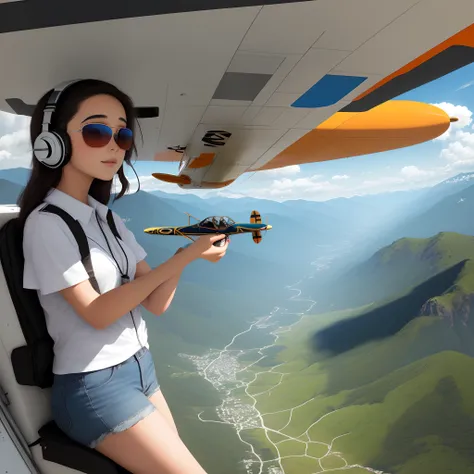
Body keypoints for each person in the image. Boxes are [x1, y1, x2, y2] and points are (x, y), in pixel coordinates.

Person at [18, 79, 227, 474]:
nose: (115, 144)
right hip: (93, 386)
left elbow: (155, 303)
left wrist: (188, 254)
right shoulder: (45, 225)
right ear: (52, 143)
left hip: (141, 368)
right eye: (97, 131)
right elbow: (96, 313)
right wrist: (186, 255)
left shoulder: (107, 218)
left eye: (123, 133)